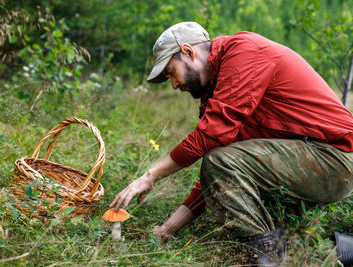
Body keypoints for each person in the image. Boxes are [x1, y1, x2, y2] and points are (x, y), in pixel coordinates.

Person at [110, 22, 353, 265]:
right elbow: (216, 177)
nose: (173, 84)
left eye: (171, 73)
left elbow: (213, 147)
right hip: (309, 160)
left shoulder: (244, 53)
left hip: (333, 156)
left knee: (220, 161)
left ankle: (268, 258)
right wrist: (168, 228)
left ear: (188, 51)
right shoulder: (218, 90)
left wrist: (150, 176)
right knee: (230, 179)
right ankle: (344, 249)